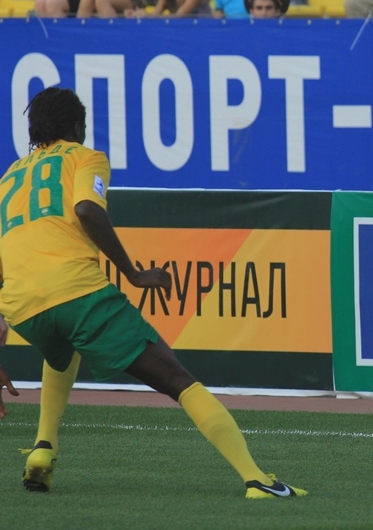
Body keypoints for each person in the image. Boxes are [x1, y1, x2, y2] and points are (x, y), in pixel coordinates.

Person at [0, 87, 306, 499]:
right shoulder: (86, 157)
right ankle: (258, 481)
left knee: (63, 347)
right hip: (76, 292)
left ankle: (43, 447)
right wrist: (133, 274)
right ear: (76, 126)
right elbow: (87, 209)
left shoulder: (9, 177)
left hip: (22, 307)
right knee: (179, 380)